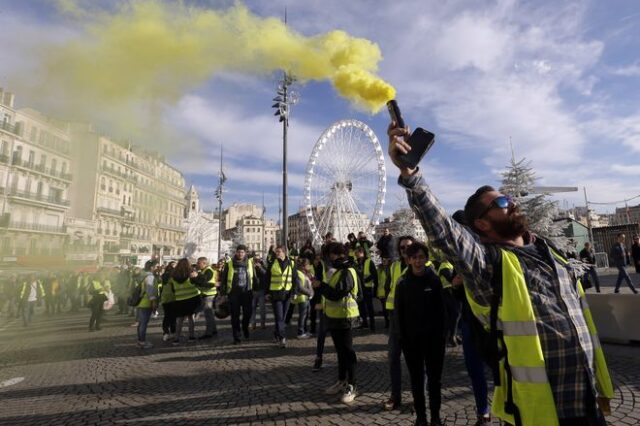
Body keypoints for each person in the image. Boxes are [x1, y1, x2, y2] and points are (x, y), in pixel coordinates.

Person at [388, 121, 614, 426]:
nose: (513, 202)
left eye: (508, 197)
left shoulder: (551, 252)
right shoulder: (489, 263)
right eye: (502, 202)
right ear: (482, 224)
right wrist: (410, 174)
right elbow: (445, 232)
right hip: (541, 411)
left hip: (588, 400)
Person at [395, 242, 446, 426]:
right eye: (414, 257)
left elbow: (442, 311)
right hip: (412, 342)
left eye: (421, 257)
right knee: (416, 381)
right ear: (408, 260)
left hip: (433, 341)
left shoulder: (434, 281)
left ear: (426, 258)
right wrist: (403, 339)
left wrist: (442, 336)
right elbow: (399, 315)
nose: (418, 261)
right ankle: (421, 417)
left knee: (435, 381)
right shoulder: (403, 284)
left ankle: (436, 417)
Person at [312, 242, 360, 404]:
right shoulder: (339, 270)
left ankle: (352, 385)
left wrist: (321, 286)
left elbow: (336, 294)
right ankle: (342, 381)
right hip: (334, 316)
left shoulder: (347, 271)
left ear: (337, 255)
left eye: (329, 256)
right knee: (340, 351)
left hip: (346, 316)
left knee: (347, 351)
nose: (328, 259)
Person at [383, 235, 416, 411]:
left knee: (416, 361)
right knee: (393, 358)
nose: (405, 250)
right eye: (402, 247)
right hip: (396, 319)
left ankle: (418, 397)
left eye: (408, 247)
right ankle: (395, 396)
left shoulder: (422, 266)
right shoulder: (394, 266)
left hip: (414, 320)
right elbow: (389, 288)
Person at [219, 245, 255, 344]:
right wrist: (223, 293)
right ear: (236, 252)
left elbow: (254, 277)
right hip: (233, 293)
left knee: (248, 314)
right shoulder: (229, 263)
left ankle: (245, 326)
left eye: (242, 252)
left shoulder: (249, 263)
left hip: (247, 292)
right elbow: (224, 279)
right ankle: (236, 336)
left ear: (245, 253)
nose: (240, 254)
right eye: (239, 252)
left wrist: (257, 289)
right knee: (235, 316)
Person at [266, 245, 299, 348]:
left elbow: (295, 279)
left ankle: (277, 333)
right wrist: (267, 293)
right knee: (279, 317)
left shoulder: (292, 263)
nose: (277, 254)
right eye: (276, 252)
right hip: (275, 294)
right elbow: (267, 279)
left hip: (287, 294)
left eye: (279, 252)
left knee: (283, 318)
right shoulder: (272, 263)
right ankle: (282, 338)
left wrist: (295, 292)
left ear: (285, 253)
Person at [171, 258, 201, 346]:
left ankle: (176, 338)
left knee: (179, 320)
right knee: (191, 318)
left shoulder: (173, 275)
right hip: (192, 298)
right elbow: (196, 283)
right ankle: (191, 336)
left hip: (180, 299)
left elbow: (173, 288)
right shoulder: (191, 273)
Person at [191, 256, 219, 339]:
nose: (197, 264)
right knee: (209, 314)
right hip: (205, 294)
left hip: (209, 295)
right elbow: (199, 282)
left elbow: (202, 282)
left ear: (204, 263)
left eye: (198, 263)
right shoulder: (203, 270)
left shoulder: (209, 271)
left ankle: (208, 333)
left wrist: (196, 277)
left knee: (208, 314)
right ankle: (213, 330)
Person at [354, 246, 377, 331]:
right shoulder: (356, 263)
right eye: (355, 253)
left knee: (369, 307)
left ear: (362, 253)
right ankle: (364, 324)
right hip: (359, 288)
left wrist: (366, 280)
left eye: (357, 253)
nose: (356, 255)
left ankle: (372, 325)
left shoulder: (369, 262)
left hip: (367, 288)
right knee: (361, 307)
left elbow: (374, 274)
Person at [136, 260, 158, 348]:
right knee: (143, 324)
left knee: (141, 323)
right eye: (156, 266)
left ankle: (139, 340)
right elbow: (150, 291)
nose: (157, 268)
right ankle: (142, 342)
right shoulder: (150, 277)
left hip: (140, 302)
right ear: (152, 267)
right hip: (146, 302)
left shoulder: (142, 275)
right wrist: (154, 302)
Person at [292, 258, 315, 339]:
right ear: (303, 266)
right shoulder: (298, 273)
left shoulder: (305, 273)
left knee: (305, 315)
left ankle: (304, 331)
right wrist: (310, 293)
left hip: (307, 297)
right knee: (303, 316)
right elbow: (300, 287)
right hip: (302, 297)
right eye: (308, 265)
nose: (309, 266)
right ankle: (300, 332)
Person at [160, 261, 177, 342]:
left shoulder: (164, 276)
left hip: (164, 298)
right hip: (172, 298)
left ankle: (166, 332)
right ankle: (173, 332)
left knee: (167, 316)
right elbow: (175, 289)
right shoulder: (173, 277)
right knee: (173, 316)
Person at [251, 255, 268, 330]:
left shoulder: (263, 266)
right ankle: (253, 324)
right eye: (255, 259)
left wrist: (260, 267)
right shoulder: (250, 266)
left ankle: (262, 324)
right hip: (253, 290)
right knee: (252, 308)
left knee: (262, 309)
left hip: (261, 290)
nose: (256, 261)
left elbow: (266, 274)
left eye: (258, 259)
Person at [376, 256, 391, 329]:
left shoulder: (391, 268)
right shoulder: (380, 269)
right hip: (382, 292)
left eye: (386, 259)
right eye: (383, 259)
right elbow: (378, 280)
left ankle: (390, 322)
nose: (384, 260)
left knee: (389, 309)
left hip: (389, 292)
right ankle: (387, 322)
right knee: (384, 309)